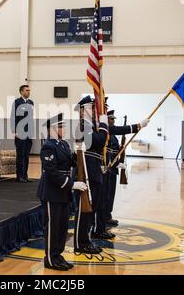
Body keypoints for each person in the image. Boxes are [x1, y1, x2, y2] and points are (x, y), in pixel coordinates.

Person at [37, 113, 87, 271]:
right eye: (60, 126)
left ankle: (58, 255)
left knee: (62, 227)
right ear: (51, 129)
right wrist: (72, 184)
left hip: (63, 193)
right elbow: (51, 172)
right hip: (52, 192)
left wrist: (80, 152)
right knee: (52, 227)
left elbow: (72, 162)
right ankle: (51, 259)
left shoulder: (64, 144)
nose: (63, 129)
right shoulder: (48, 146)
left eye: (64, 126)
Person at [99, 110, 148, 233]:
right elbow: (108, 152)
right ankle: (103, 217)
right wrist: (138, 126)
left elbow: (114, 150)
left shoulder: (112, 135)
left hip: (113, 170)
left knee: (111, 195)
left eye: (114, 119)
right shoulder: (106, 132)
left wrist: (121, 152)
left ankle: (107, 215)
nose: (113, 121)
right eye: (111, 119)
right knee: (105, 196)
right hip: (108, 169)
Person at [73, 95, 108, 254]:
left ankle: (86, 239)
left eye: (93, 108)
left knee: (91, 208)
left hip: (93, 170)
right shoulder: (83, 125)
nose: (93, 110)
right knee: (84, 209)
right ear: (81, 111)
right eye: (89, 107)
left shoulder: (90, 126)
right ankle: (81, 243)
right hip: (85, 172)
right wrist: (104, 126)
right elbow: (99, 141)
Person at [10, 85, 35, 183]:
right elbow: (13, 117)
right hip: (20, 132)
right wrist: (14, 131)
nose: (29, 92)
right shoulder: (17, 102)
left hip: (29, 133)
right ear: (21, 92)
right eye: (27, 90)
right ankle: (19, 176)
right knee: (20, 154)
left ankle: (25, 175)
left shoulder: (31, 102)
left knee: (26, 155)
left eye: (29, 90)